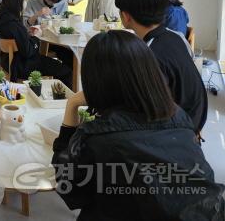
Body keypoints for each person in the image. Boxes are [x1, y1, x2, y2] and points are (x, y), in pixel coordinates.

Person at [52, 31, 224, 220]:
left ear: (96, 82)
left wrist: (71, 107)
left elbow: (69, 191)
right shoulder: (179, 117)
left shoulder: (97, 139)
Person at [115, 0, 207, 134]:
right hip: (194, 116)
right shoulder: (174, 36)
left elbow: (146, 106)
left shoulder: (150, 55)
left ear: (126, 16)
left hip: (179, 129)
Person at [0, 0, 72, 86]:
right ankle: (64, 99)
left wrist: (27, 34)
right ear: (17, 2)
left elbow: (18, 37)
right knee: (65, 71)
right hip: (20, 65)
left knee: (61, 59)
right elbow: (28, 51)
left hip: (6, 60)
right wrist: (36, 36)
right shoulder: (14, 24)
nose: (25, 2)